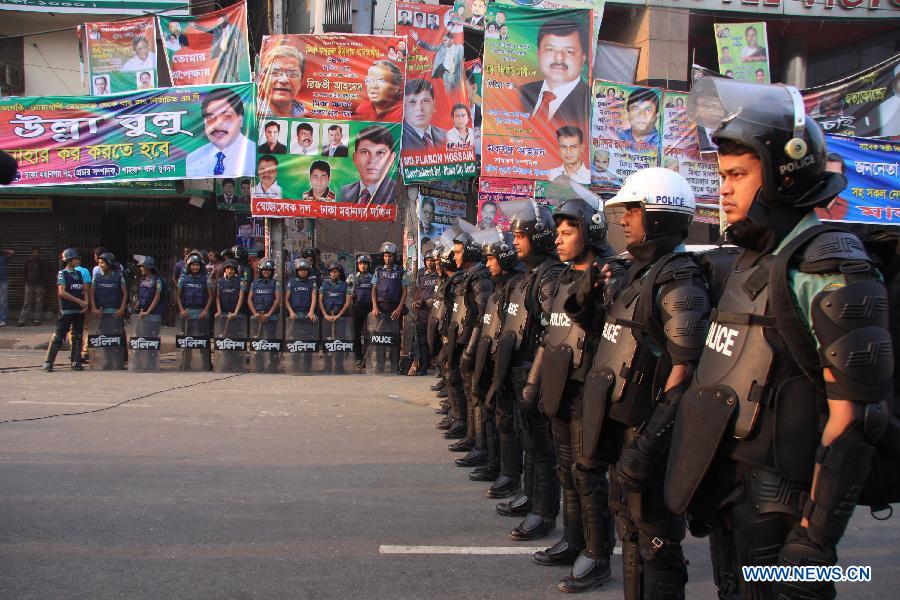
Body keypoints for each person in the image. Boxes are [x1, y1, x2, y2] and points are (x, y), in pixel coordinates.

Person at [665, 78, 889, 600]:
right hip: (737, 497)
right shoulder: (752, 262)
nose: (723, 188)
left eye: (738, 175)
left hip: (788, 512)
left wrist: (815, 540)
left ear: (786, 174)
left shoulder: (830, 264)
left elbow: (857, 417)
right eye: (723, 175)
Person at [522, 189, 618, 592]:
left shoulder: (613, 276)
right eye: (557, 232)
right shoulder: (562, 278)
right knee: (568, 471)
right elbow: (549, 335)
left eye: (566, 232)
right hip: (560, 386)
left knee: (588, 473)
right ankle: (573, 540)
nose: (557, 239)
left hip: (589, 389)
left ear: (590, 232)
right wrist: (534, 383)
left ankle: (597, 555)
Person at [490, 200, 565, 540]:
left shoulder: (550, 275)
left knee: (542, 448)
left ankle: (544, 512)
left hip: (537, 373)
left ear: (537, 236)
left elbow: (554, 331)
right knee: (529, 442)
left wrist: (534, 380)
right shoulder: (532, 276)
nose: (515, 242)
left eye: (521, 235)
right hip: (521, 371)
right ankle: (532, 498)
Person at [464, 227, 519, 483]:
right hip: (491, 361)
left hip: (510, 368)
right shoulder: (498, 291)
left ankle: (508, 474)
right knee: (491, 413)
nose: (487, 264)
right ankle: (494, 462)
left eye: (491, 259)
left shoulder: (515, 289)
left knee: (508, 422)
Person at [444, 227, 494, 466]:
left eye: (458, 251)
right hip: (462, 338)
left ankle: (480, 445)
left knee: (476, 395)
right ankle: (471, 437)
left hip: (474, 343)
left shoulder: (481, 278)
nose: (455, 257)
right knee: (468, 390)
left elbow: (483, 314)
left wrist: (473, 347)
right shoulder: (468, 276)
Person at [517, 17, 590, 126]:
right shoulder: (520, 92)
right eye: (550, 49)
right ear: (539, 54)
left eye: (569, 51)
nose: (559, 58)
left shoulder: (590, 102)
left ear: (583, 59)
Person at [185, 87, 255, 177]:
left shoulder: (255, 154)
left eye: (226, 116)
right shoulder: (193, 158)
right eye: (210, 118)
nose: (217, 125)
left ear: (241, 120)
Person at [43, 248, 88, 372]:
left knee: (78, 336)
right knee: (59, 336)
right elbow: (62, 292)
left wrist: (86, 303)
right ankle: (49, 362)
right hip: (67, 310)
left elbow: (84, 290)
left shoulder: (79, 274)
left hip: (78, 311)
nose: (78, 261)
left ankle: (75, 361)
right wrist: (80, 302)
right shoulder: (62, 274)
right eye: (75, 259)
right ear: (68, 260)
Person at [338, 125, 398, 205]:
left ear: (391, 159)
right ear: (355, 158)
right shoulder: (342, 192)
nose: (372, 161)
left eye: (380, 153)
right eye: (365, 152)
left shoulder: (398, 193)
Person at [258, 44, 306, 118]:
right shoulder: (248, 114)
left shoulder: (311, 116)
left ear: (301, 81)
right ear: (262, 79)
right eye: (275, 73)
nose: (283, 80)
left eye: (292, 74)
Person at [412, 252, 440, 377]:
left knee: (437, 339)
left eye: (432, 260)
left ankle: (439, 367)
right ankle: (423, 366)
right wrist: (416, 305)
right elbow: (418, 291)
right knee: (422, 339)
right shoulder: (421, 274)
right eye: (427, 260)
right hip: (422, 312)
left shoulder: (440, 275)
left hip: (436, 310)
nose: (430, 263)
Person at [402, 79, 447, 151]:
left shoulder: (447, 136)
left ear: (434, 105)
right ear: (404, 107)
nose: (419, 108)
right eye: (412, 102)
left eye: (425, 101)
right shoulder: (399, 138)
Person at [347, 254, 373, 368]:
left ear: (368, 265)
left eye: (365, 263)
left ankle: (367, 359)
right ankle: (358, 358)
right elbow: (348, 293)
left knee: (368, 335)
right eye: (360, 263)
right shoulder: (352, 277)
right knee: (355, 335)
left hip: (368, 310)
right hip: (355, 309)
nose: (363, 266)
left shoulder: (373, 277)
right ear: (357, 265)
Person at [176, 254, 213, 321]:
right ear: (189, 266)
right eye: (193, 265)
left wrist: (205, 311)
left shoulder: (206, 279)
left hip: (201, 313)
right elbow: (178, 296)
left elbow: (210, 296)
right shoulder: (183, 278)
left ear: (200, 266)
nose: (195, 267)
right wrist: (181, 310)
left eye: (197, 265)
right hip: (187, 312)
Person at [18, 246, 49, 326]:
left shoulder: (42, 263)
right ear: (32, 253)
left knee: (39, 302)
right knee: (27, 302)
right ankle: (22, 321)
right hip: (29, 284)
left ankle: (37, 320)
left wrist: (43, 286)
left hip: (39, 285)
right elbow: (24, 273)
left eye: (38, 253)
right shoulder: (28, 262)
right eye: (35, 252)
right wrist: (26, 281)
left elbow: (45, 275)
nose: (37, 254)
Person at [248, 258, 280, 326]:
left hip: (271, 316)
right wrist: (255, 313)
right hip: (257, 316)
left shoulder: (275, 283)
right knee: (255, 336)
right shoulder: (254, 283)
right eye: (265, 270)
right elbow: (249, 300)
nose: (267, 272)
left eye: (269, 270)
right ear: (261, 270)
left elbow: (277, 299)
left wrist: (269, 314)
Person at [285, 258, 318, 323]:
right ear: (297, 271)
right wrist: (291, 312)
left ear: (308, 271)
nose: (303, 272)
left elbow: (314, 298)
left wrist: (311, 311)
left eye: (305, 270)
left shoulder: (312, 282)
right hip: (294, 314)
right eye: (301, 270)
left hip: (307, 314)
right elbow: (286, 299)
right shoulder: (291, 282)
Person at [0, 244, 12, 327]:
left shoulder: (3, 258)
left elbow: (12, 252)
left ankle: (3, 320)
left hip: (3, 281)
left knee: (3, 301)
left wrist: (3, 250)